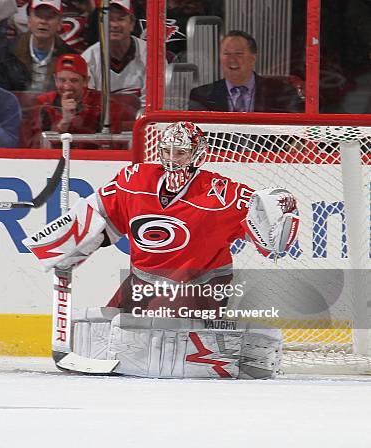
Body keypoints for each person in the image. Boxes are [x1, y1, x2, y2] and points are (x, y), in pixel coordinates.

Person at [24, 121, 299, 378]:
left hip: (197, 287)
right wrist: (63, 246)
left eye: (180, 152)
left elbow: (265, 227)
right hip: (141, 283)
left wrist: (279, 211)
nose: (171, 159)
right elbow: (98, 212)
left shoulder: (221, 193)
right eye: (166, 151)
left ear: (198, 154)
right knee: (110, 333)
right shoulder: (135, 180)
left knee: (145, 342)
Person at [188, 30, 304, 113]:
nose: (232, 59)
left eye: (238, 54)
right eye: (226, 54)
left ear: (253, 59)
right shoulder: (201, 96)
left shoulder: (283, 92)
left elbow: (299, 132)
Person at [30, 53, 126, 147]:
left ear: (85, 81)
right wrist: (64, 122)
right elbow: (36, 144)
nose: (67, 86)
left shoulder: (106, 105)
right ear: (55, 80)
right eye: (62, 80)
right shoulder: (44, 103)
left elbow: (113, 145)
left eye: (74, 80)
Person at [0, 0, 76, 92]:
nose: (43, 21)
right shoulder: (5, 52)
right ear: (29, 21)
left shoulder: (69, 57)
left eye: (50, 17)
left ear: (60, 24)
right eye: (38, 16)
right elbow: (1, 95)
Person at [82, 0, 147, 105]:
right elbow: (89, 105)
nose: (114, 25)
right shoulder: (88, 58)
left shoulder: (150, 55)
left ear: (132, 24)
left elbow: (150, 105)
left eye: (121, 19)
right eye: (109, 19)